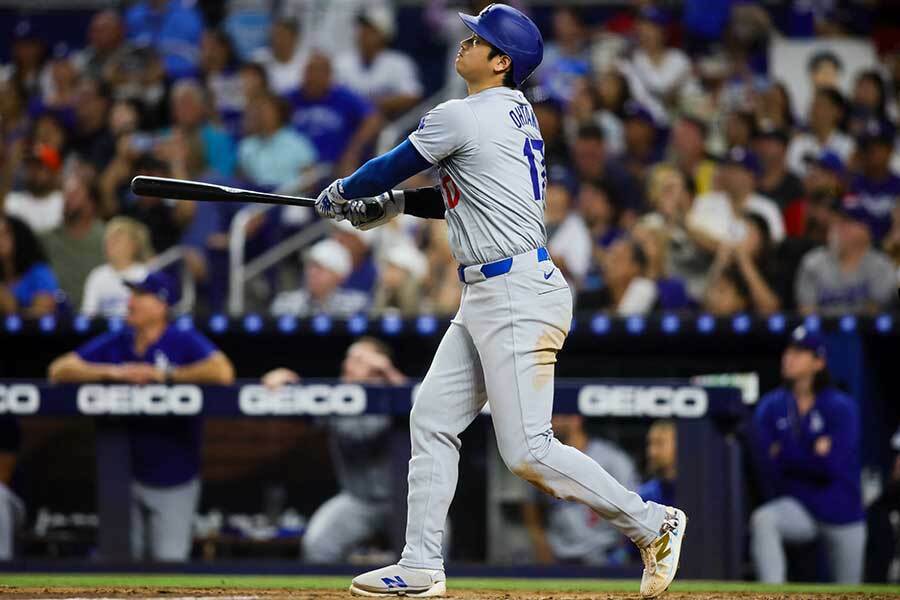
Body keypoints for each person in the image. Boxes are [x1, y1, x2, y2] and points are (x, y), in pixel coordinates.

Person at [312, 5, 686, 597]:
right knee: (432, 418)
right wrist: (396, 205)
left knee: (528, 451)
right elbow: (463, 195)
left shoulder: (463, 114)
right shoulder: (513, 113)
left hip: (515, 294)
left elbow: (393, 165)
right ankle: (419, 566)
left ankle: (652, 522)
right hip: (492, 292)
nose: (464, 43)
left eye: (477, 39)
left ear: (501, 61)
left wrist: (343, 192)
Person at [48, 271, 235, 561]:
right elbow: (59, 370)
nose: (130, 302)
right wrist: (113, 372)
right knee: (119, 563)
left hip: (175, 476)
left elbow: (222, 372)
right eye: (130, 294)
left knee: (169, 562)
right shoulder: (119, 340)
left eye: (139, 296)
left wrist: (165, 375)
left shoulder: (181, 339)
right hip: (122, 476)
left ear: (160, 305)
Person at [262, 337, 406, 563]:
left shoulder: (395, 391)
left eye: (359, 359)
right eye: (348, 358)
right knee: (317, 546)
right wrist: (282, 383)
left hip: (405, 501)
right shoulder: (336, 396)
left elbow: (422, 404)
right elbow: (301, 405)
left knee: (436, 548)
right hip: (358, 500)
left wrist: (386, 370)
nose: (349, 364)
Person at [750, 326, 865, 584]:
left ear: (819, 362)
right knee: (764, 520)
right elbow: (769, 464)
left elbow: (832, 466)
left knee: (851, 589)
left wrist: (788, 454)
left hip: (842, 510)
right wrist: (813, 454)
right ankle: (772, 594)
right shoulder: (772, 406)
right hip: (799, 506)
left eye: (800, 352)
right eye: (789, 350)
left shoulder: (841, 406)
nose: (789, 357)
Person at [522, 414, 639, 565]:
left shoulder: (612, 459)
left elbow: (633, 503)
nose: (551, 421)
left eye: (557, 415)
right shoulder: (541, 460)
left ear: (576, 419)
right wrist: (541, 544)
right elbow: (530, 505)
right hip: (560, 555)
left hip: (604, 554)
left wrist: (623, 551)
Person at [795, 196, 895, 315]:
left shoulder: (880, 265)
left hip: (866, 332)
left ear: (867, 229)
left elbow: (876, 313)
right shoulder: (813, 262)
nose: (840, 226)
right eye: (838, 220)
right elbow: (807, 312)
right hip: (822, 332)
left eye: (849, 221)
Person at [287, 53, 382, 177]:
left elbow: (373, 119)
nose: (312, 77)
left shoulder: (343, 97)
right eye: (309, 71)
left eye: (318, 71)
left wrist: (352, 152)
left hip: (335, 166)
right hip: (295, 166)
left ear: (329, 75)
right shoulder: (291, 97)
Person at [335, 7, 424, 120]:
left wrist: (370, 104)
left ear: (384, 34)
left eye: (370, 30)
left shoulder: (399, 62)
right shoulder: (343, 62)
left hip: (387, 123)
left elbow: (412, 95)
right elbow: (332, 94)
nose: (364, 33)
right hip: (346, 121)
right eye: (362, 28)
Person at [688, 146, 785, 247]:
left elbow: (774, 245)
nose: (729, 174)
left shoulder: (767, 208)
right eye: (727, 168)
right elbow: (693, 233)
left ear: (751, 176)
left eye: (736, 170)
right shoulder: (705, 201)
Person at [40, 173, 106, 309]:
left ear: (91, 202)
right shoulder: (47, 238)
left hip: (96, 319)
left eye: (74, 195)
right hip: (56, 319)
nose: (67, 200)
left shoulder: (106, 238)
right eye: (65, 194)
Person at [270, 238, 368, 317]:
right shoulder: (285, 303)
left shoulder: (357, 306)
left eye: (320, 268)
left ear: (340, 277)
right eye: (311, 266)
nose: (312, 273)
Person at [238, 92, 317, 189]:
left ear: (279, 114)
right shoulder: (246, 145)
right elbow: (242, 181)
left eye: (265, 111)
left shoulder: (297, 143)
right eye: (258, 111)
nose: (261, 115)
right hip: (257, 199)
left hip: (290, 198)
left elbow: (310, 180)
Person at [81, 217, 153, 317]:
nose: (110, 244)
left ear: (134, 245)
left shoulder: (146, 274)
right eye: (108, 239)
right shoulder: (97, 275)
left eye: (117, 239)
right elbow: (88, 315)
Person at [847, 120, 900, 243]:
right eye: (868, 147)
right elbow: (850, 217)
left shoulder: (898, 185)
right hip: (858, 247)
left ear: (890, 150)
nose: (873, 152)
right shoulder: (853, 184)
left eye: (879, 147)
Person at [124, 0, 204, 80]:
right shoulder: (133, 15)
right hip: (136, 75)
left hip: (175, 78)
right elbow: (126, 50)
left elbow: (197, 58)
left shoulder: (189, 16)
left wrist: (167, 68)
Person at [786, 87, 854, 177]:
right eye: (813, 105)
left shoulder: (848, 145)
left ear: (837, 112)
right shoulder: (798, 143)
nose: (813, 111)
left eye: (820, 105)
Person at [0, 216, 60, 317]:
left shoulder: (39, 273)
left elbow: (43, 312)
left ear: (19, 237)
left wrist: (14, 311)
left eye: (4, 234)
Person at [3, 143, 63, 234]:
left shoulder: (64, 203)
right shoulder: (12, 201)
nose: (34, 172)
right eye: (30, 166)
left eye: (40, 167)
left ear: (54, 173)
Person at [252, 18, 308, 96]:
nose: (277, 40)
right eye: (275, 35)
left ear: (294, 38)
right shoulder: (259, 59)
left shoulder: (307, 62)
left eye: (282, 35)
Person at [639, 421, 677, 508]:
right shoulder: (646, 496)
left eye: (659, 443)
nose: (652, 452)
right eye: (650, 444)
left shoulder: (700, 492)